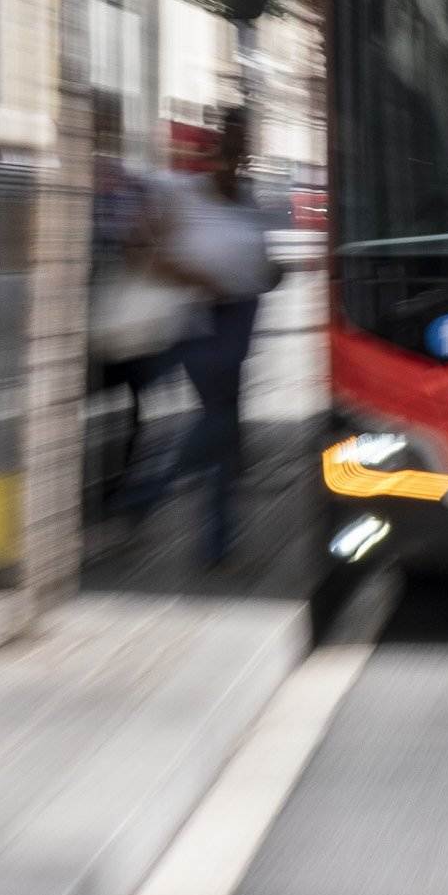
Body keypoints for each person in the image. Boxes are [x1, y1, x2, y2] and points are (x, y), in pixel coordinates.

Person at [116, 107, 283, 567]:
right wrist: (201, 279)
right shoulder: (182, 194)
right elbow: (140, 251)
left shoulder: (249, 201)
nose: (236, 155)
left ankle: (211, 538)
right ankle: (154, 496)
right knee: (218, 424)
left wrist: (271, 273)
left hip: (242, 322)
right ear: (214, 148)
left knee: (222, 429)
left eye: (243, 146)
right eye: (229, 144)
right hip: (203, 322)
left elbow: (263, 264)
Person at [88, 100, 174, 508]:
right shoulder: (103, 184)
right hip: (96, 313)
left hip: (122, 312)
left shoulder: (132, 185)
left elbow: (151, 238)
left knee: (132, 401)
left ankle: (121, 481)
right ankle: (115, 480)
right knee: (124, 401)